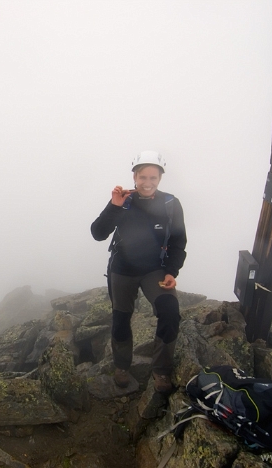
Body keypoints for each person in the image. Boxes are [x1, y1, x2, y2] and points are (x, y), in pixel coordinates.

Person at [91, 150, 187, 393]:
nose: (147, 183)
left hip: (155, 270)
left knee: (170, 312)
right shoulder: (123, 201)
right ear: (134, 176)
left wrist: (171, 272)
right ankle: (122, 366)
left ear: (160, 179)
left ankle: (161, 370)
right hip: (122, 270)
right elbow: (98, 234)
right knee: (121, 318)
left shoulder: (170, 204)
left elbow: (178, 242)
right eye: (143, 177)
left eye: (153, 178)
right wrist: (114, 206)